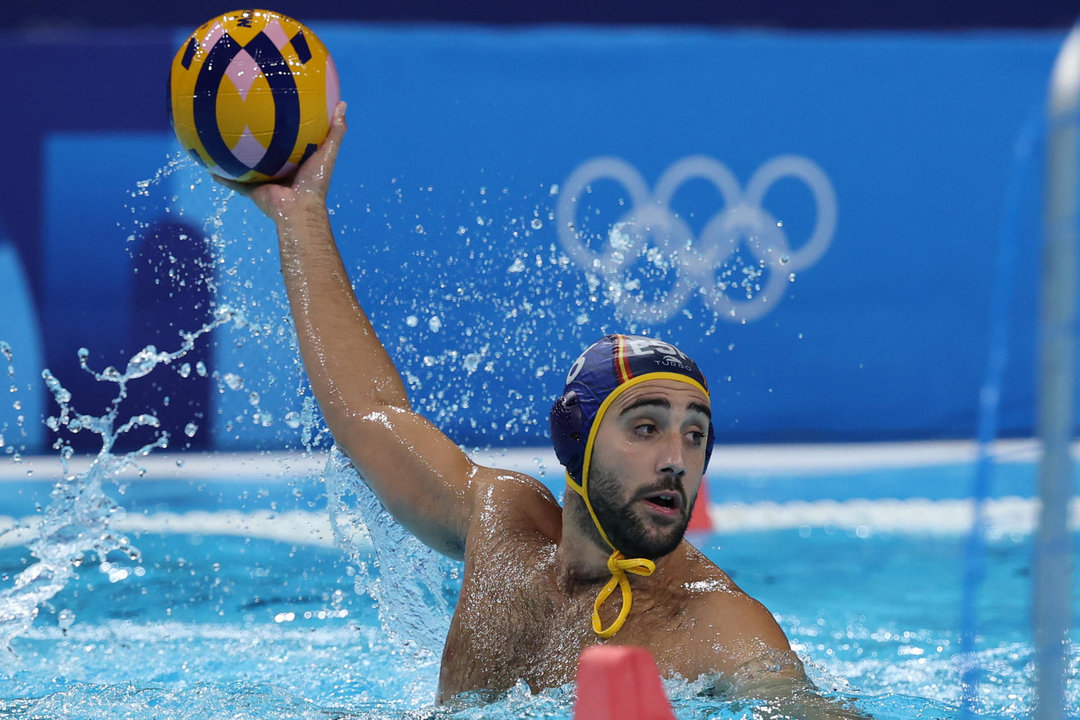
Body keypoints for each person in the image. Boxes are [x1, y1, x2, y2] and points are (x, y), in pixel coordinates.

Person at [224, 102, 860, 716]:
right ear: (574, 441)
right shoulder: (501, 524)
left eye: (696, 437)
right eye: (646, 428)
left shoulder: (721, 627)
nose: (676, 461)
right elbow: (368, 413)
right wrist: (300, 214)